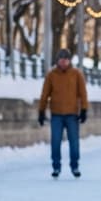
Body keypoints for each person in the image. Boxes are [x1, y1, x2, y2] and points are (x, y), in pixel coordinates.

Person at [37, 48, 88, 179]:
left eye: (66, 60)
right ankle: (56, 166)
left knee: (74, 142)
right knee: (55, 141)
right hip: (56, 114)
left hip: (72, 114)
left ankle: (75, 166)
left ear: (69, 61)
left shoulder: (76, 74)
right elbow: (45, 94)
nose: (64, 62)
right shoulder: (51, 75)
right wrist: (41, 111)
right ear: (57, 61)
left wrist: (84, 109)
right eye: (61, 60)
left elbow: (83, 94)